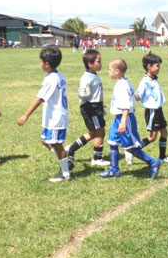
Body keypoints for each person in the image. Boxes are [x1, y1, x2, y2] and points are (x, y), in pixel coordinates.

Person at [99, 58, 162, 179]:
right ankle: (114, 169)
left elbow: (126, 106)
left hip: (125, 118)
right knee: (112, 142)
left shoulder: (122, 85)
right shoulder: (123, 82)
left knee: (130, 147)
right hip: (118, 118)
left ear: (117, 71)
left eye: (110, 69)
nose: (108, 72)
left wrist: (123, 122)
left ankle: (152, 162)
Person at [17, 47, 72, 182]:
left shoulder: (52, 79)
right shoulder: (59, 75)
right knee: (45, 140)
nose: (40, 64)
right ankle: (64, 161)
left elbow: (40, 98)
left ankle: (66, 173)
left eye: (41, 62)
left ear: (46, 63)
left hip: (56, 118)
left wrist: (26, 115)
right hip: (52, 117)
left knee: (57, 144)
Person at [65, 49, 110, 167]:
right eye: (98, 61)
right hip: (91, 108)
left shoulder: (93, 75)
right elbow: (82, 93)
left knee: (93, 133)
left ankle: (71, 149)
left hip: (95, 107)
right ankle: (97, 158)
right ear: (90, 64)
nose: (101, 64)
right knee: (100, 132)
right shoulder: (87, 77)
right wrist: (84, 93)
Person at [133, 52, 168, 164]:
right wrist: (129, 94)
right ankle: (132, 150)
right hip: (152, 111)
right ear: (149, 66)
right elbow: (137, 96)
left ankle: (162, 157)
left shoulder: (154, 79)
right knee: (152, 137)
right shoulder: (145, 81)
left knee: (164, 133)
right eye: (157, 66)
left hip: (158, 110)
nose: (159, 68)